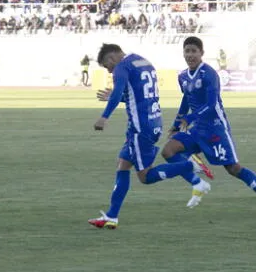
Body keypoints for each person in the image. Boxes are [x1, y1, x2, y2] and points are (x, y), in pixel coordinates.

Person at [88, 44, 207, 229]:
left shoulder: (121, 67)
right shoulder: (142, 61)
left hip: (140, 128)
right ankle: (112, 216)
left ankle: (189, 164)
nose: (110, 70)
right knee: (123, 165)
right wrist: (116, 97)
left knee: (145, 176)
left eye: (107, 66)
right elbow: (140, 96)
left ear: (111, 58)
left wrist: (104, 116)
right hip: (153, 121)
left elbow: (120, 91)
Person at [160, 36, 256, 215]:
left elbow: (211, 104)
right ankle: (198, 183)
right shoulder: (183, 76)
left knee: (233, 169)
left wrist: (191, 117)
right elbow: (186, 99)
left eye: (194, 51)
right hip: (196, 129)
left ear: (202, 53)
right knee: (168, 151)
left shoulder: (209, 74)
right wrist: (176, 124)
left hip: (215, 128)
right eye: (187, 51)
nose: (190, 55)